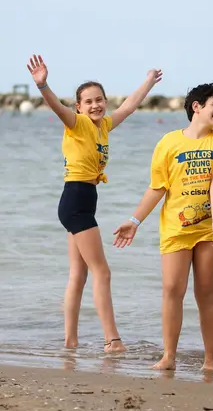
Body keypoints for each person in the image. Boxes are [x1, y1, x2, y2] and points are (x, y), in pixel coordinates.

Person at [26, 54, 162, 353]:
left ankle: (70, 341)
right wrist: (43, 85)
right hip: (75, 200)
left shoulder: (104, 126)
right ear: (79, 107)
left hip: (83, 200)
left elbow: (129, 106)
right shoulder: (77, 123)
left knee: (79, 273)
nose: (95, 105)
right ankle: (112, 340)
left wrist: (148, 82)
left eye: (99, 99)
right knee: (102, 271)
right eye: (88, 101)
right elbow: (57, 108)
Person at [113, 82, 213, 371]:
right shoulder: (168, 142)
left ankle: (210, 360)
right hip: (175, 229)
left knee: (206, 292)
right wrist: (134, 220)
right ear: (197, 106)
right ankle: (168, 356)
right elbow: (157, 188)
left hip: (209, 230)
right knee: (171, 289)